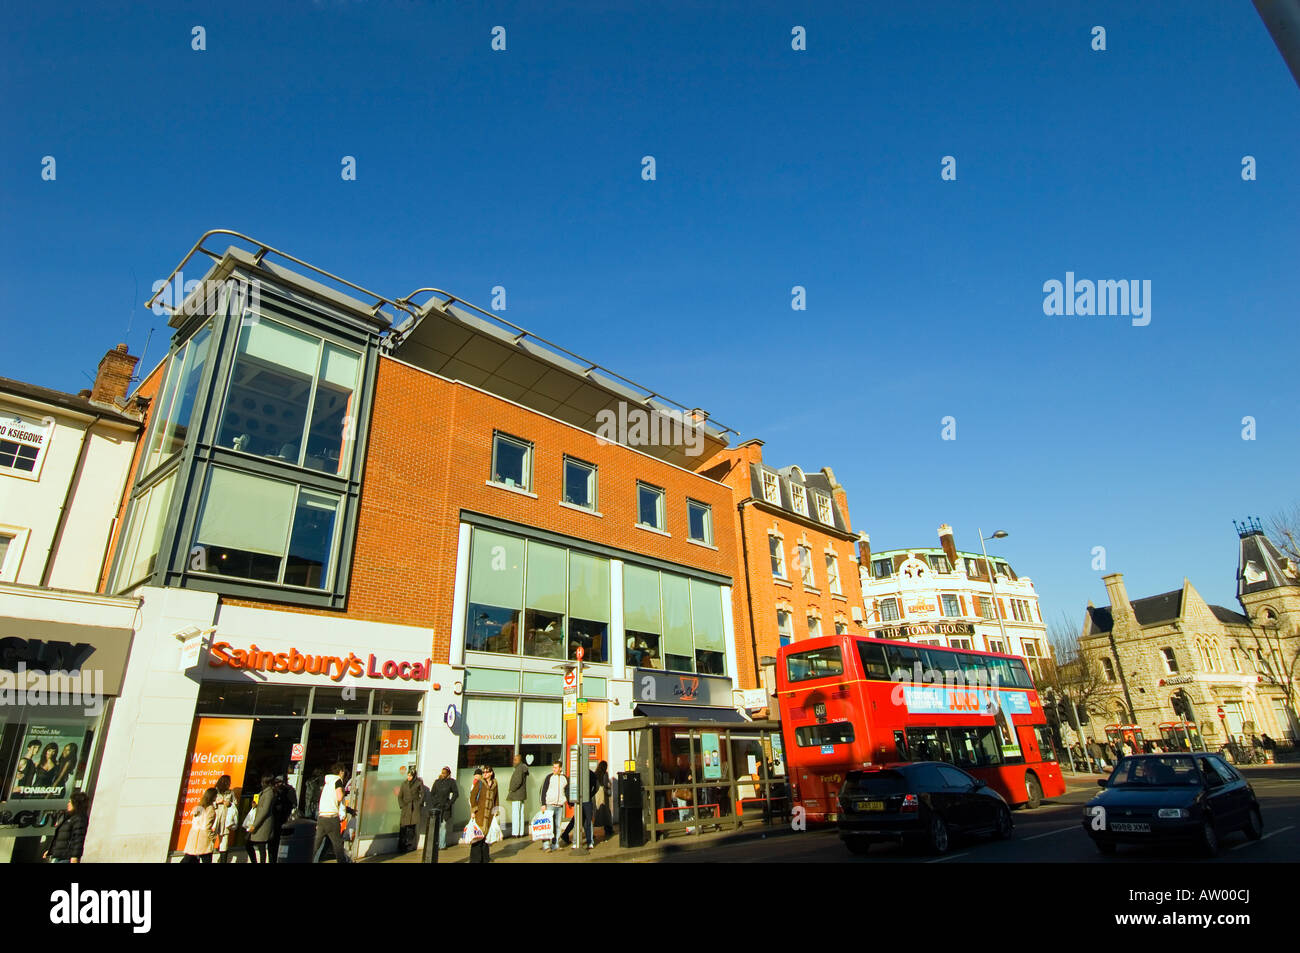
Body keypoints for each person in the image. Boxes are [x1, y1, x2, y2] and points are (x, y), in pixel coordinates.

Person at [312, 762, 351, 863]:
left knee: (316, 845)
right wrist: (343, 792)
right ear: (341, 772)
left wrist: (349, 809)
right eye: (343, 771)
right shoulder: (337, 781)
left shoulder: (327, 783)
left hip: (322, 818)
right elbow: (339, 797)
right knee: (337, 845)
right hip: (332, 818)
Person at [44, 791, 89, 863]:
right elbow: (60, 838)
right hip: (58, 856)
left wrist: (74, 856)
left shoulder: (79, 819)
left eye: (70, 802)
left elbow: (78, 839)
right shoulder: (67, 817)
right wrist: (51, 851)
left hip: (66, 857)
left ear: (76, 804)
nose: (68, 804)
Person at [468, 764, 499, 863]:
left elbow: (496, 798)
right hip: (479, 814)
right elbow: (472, 796)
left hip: (489, 815)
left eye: (486, 772)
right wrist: (474, 810)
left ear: (491, 773)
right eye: (483, 772)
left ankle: (485, 859)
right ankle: (475, 860)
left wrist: (495, 810)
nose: (484, 774)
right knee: (477, 837)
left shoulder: (495, 784)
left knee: (486, 838)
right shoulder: (480, 783)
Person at [182, 787, 218, 863]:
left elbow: (194, 822)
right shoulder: (210, 809)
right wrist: (213, 837)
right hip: (203, 838)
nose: (217, 797)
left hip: (193, 836)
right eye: (216, 795)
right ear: (213, 796)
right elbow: (207, 826)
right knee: (206, 859)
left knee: (189, 858)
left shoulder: (199, 807)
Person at [540, 761, 569, 853]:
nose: (554, 769)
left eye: (556, 767)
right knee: (548, 826)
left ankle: (555, 844)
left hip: (559, 806)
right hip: (549, 805)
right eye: (553, 767)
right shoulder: (549, 777)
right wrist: (543, 804)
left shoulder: (564, 778)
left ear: (560, 768)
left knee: (557, 826)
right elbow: (543, 791)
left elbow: (567, 790)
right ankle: (546, 846)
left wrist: (568, 801)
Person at [427, 767, 460, 848]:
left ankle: (442, 845)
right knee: (436, 825)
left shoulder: (451, 782)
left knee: (443, 826)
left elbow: (456, 793)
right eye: (442, 772)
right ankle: (435, 844)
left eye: (445, 773)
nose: (443, 774)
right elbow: (432, 793)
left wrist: (449, 803)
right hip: (437, 806)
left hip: (445, 807)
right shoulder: (437, 782)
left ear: (448, 774)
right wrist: (435, 802)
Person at [246, 775, 276, 862]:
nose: (261, 784)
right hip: (259, 822)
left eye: (263, 782)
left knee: (261, 846)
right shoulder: (263, 792)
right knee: (252, 844)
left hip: (262, 824)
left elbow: (264, 810)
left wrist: (254, 825)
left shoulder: (269, 793)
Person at [398, 766, 426, 852]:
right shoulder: (404, 783)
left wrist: (419, 804)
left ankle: (410, 846)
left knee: (411, 827)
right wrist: (402, 805)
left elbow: (423, 794)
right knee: (403, 826)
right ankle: (402, 845)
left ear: (414, 776)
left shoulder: (418, 783)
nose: (408, 777)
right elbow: (400, 796)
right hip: (406, 808)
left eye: (410, 776)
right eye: (408, 775)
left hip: (414, 808)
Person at [269, 776, 296, 863]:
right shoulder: (277, 791)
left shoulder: (288, 791)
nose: (277, 784)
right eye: (276, 783)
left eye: (279, 782)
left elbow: (293, 804)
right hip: (277, 821)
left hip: (282, 820)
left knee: (278, 843)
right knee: (275, 844)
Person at [213, 790, 239, 863]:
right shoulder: (215, 791)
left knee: (224, 844)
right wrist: (217, 802)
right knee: (210, 843)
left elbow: (235, 803)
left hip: (225, 820)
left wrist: (230, 803)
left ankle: (223, 861)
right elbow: (208, 803)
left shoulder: (231, 792)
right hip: (215, 819)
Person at [507, 754, 529, 837]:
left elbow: (518, 781)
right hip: (521, 794)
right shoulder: (523, 768)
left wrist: (511, 789)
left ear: (519, 760)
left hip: (516, 794)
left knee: (516, 814)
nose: (514, 761)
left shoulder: (519, 768)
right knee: (521, 813)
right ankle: (521, 832)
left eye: (515, 759)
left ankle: (515, 833)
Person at [593, 760, 614, 842]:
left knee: (598, 812)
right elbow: (606, 784)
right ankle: (608, 829)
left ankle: (592, 831)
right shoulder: (605, 774)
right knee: (606, 812)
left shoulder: (595, 774)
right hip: (603, 794)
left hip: (597, 795)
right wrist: (609, 785)